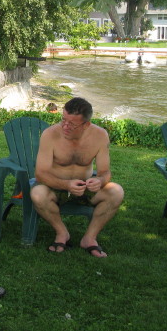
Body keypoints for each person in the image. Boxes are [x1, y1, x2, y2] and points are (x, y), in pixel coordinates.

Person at [31, 97, 124, 257]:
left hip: (85, 187)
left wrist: (100, 181)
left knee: (116, 192)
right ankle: (62, 233)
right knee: (37, 194)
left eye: (71, 124)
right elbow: (40, 173)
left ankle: (89, 238)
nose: (65, 126)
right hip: (56, 187)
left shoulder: (100, 136)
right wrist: (66, 185)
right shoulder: (50, 135)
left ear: (86, 124)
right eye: (63, 120)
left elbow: (105, 172)